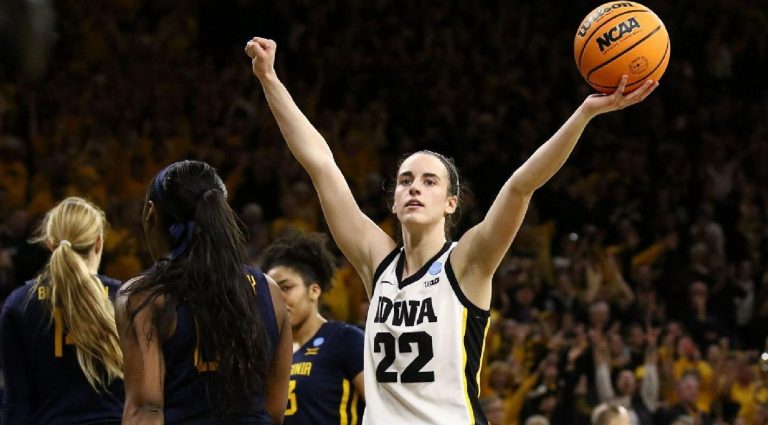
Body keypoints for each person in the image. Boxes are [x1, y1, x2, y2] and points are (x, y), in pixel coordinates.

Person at [246, 36, 657, 425]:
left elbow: (521, 186)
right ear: (393, 201)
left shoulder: (467, 262)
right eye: (405, 181)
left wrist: (584, 114)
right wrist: (269, 79)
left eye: (429, 182)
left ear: (450, 203)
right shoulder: (378, 262)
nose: (414, 188)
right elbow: (321, 164)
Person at [115, 160, 292, 424]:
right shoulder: (270, 290)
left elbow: (145, 410)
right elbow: (275, 410)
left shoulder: (145, 295)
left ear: (150, 213)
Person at [0, 197, 124, 424]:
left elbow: (15, 404)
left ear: (49, 244)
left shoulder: (19, 304)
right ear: (99, 243)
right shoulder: (125, 298)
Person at [261, 230, 366, 425]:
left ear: (314, 291)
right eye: (271, 291)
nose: (277, 299)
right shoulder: (268, 353)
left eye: (286, 287)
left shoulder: (345, 339)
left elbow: (382, 407)